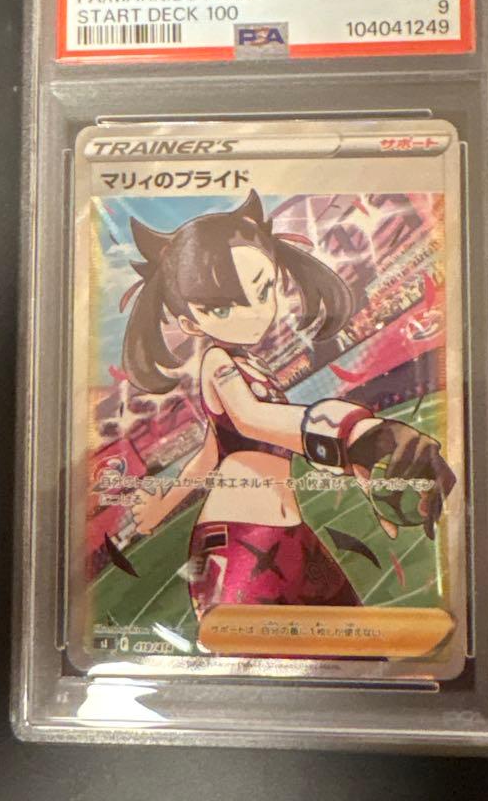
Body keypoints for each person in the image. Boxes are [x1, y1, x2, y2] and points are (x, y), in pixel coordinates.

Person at [120, 191, 454, 616]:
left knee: (353, 641)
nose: (253, 312)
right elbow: (252, 418)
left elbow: (210, 454)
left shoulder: (250, 364)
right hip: (240, 540)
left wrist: (162, 505)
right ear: (189, 322)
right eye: (222, 308)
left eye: (263, 290)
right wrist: (355, 434)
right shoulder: (218, 362)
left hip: (291, 533)